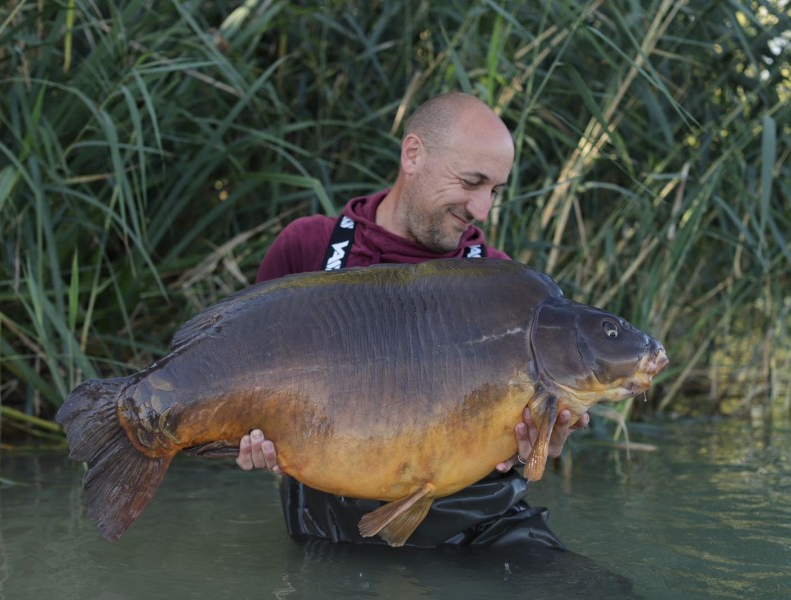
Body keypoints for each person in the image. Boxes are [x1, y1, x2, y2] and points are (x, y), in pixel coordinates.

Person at [237, 92, 590, 549]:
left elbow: (521, 443)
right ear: (413, 154)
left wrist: (538, 448)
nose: (482, 209)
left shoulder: (505, 286)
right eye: (471, 181)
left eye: (495, 191)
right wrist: (249, 442)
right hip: (335, 527)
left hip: (482, 527)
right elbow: (242, 380)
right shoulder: (310, 250)